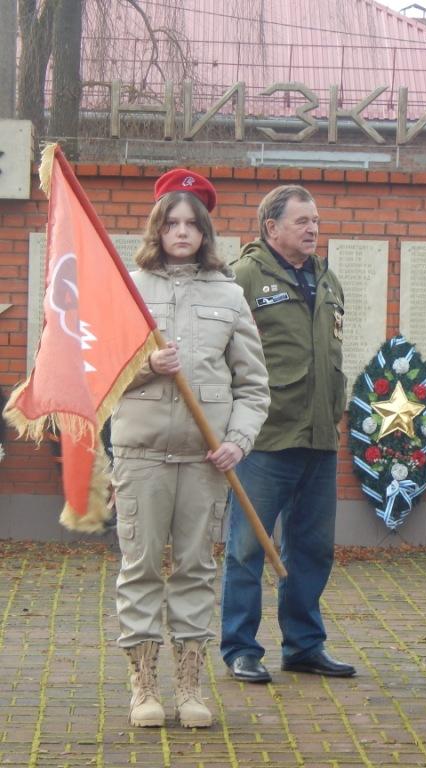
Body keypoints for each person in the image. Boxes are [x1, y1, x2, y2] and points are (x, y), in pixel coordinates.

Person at [110, 169, 269, 728]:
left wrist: (237, 442)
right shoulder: (128, 289)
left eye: (191, 224)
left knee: (197, 569)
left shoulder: (229, 294)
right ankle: (144, 688)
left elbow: (253, 385)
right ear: (157, 228)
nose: (182, 232)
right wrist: (147, 366)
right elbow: (101, 374)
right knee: (141, 569)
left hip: (204, 461)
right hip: (141, 455)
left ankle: (190, 687)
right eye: (171, 223)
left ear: (205, 232)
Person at [220, 185, 355, 683]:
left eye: (315, 220)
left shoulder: (327, 278)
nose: (313, 228)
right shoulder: (243, 277)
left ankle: (303, 645)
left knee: (312, 549)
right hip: (265, 438)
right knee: (247, 548)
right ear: (271, 227)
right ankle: (240, 648)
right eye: (302, 221)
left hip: (319, 437)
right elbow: (223, 355)